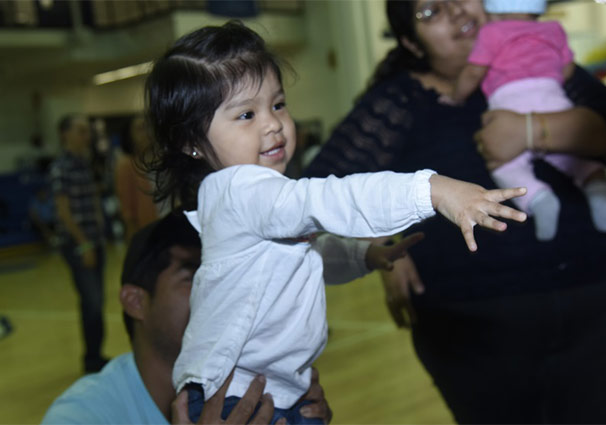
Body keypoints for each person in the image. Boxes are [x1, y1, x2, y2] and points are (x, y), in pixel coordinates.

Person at [144, 21, 526, 425]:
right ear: (190, 142)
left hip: (274, 391)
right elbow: (329, 198)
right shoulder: (240, 189)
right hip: (236, 397)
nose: (272, 124)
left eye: (277, 104)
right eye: (245, 115)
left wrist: (363, 256)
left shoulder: (255, 200)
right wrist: (432, 189)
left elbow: (303, 255)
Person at [305, 1, 606, 423]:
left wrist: (532, 132)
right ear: (412, 43)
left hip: (596, 308)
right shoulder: (401, 101)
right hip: (474, 330)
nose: (453, 11)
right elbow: (314, 194)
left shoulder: (541, 57)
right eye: (429, 11)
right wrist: (381, 244)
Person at [41, 212, 332, 425]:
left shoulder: (257, 390)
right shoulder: (80, 416)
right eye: (194, 276)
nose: (221, 293)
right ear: (136, 302)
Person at [447, 0, 606, 240]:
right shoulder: (554, 28)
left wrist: (455, 97)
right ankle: (598, 190)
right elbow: (565, 70)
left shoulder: (491, 32)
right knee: (575, 159)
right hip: (552, 99)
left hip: (509, 102)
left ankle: (537, 197)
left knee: (504, 164)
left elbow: (473, 72)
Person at [50, 114, 108, 374]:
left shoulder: (85, 163)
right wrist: (84, 245)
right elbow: (63, 211)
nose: (87, 136)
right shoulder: (61, 167)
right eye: (81, 131)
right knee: (92, 301)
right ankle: (91, 358)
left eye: (87, 131)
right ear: (65, 135)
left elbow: (93, 201)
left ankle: (95, 356)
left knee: (97, 301)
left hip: (95, 242)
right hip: (78, 245)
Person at [114, 116, 158, 243]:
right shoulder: (126, 165)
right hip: (146, 230)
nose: (147, 133)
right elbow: (127, 208)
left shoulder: (161, 161)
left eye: (149, 127)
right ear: (130, 136)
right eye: (141, 129)